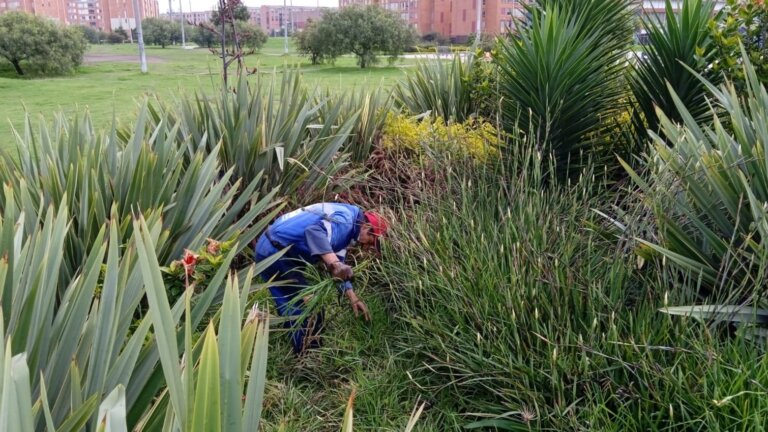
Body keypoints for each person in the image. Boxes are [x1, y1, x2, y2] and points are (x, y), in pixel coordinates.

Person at [254, 202, 388, 355]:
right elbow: (315, 232)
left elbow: (337, 263)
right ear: (366, 227)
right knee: (310, 309)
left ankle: (291, 350)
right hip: (278, 253)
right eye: (371, 242)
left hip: (266, 248)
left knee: (289, 305)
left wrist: (352, 297)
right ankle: (308, 360)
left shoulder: (347, 225)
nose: (367, 248)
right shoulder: (345, 222)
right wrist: (335, 264)